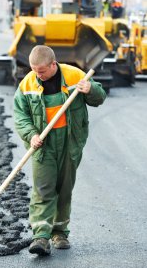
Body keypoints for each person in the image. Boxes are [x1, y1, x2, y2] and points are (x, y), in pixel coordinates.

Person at [13, 45, 106, 256]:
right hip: (43, 144)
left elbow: (99, 98)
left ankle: (60, 233)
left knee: (64, 189)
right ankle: (41, 236)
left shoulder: (75, 76)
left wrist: (90, 90)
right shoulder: (28, 83)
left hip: (69, 142)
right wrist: (31, 135)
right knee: (44, 189)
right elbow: (20, 116)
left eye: (42, 71)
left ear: (53, 64)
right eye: (34, 70)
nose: (38, 75)